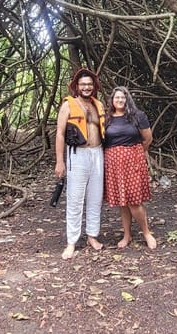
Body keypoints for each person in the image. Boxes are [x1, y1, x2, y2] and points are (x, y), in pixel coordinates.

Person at [55, 68, 106, 260]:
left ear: (94, 87)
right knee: (75, 198)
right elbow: (60, 133)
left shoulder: (97, 105)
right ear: (77, 86)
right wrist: (60, 161)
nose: (86, 87)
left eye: (89, 84)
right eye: (83, 84)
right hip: (77, 154)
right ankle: (72, 242)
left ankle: (92, 235)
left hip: (97, 153)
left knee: (95, 197)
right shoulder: (69, 105)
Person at [102, 86, 157, 249]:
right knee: (123, 201)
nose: (120, 100)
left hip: (133, 162)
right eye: (117, 97)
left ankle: (147, 233)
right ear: (112, 100)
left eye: (123, 97)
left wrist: (134, 155)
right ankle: (127, 235)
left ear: (127, 99)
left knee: (134, 200)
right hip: (113, 163)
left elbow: (147, 139)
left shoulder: (137, 116)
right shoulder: (107, 118)